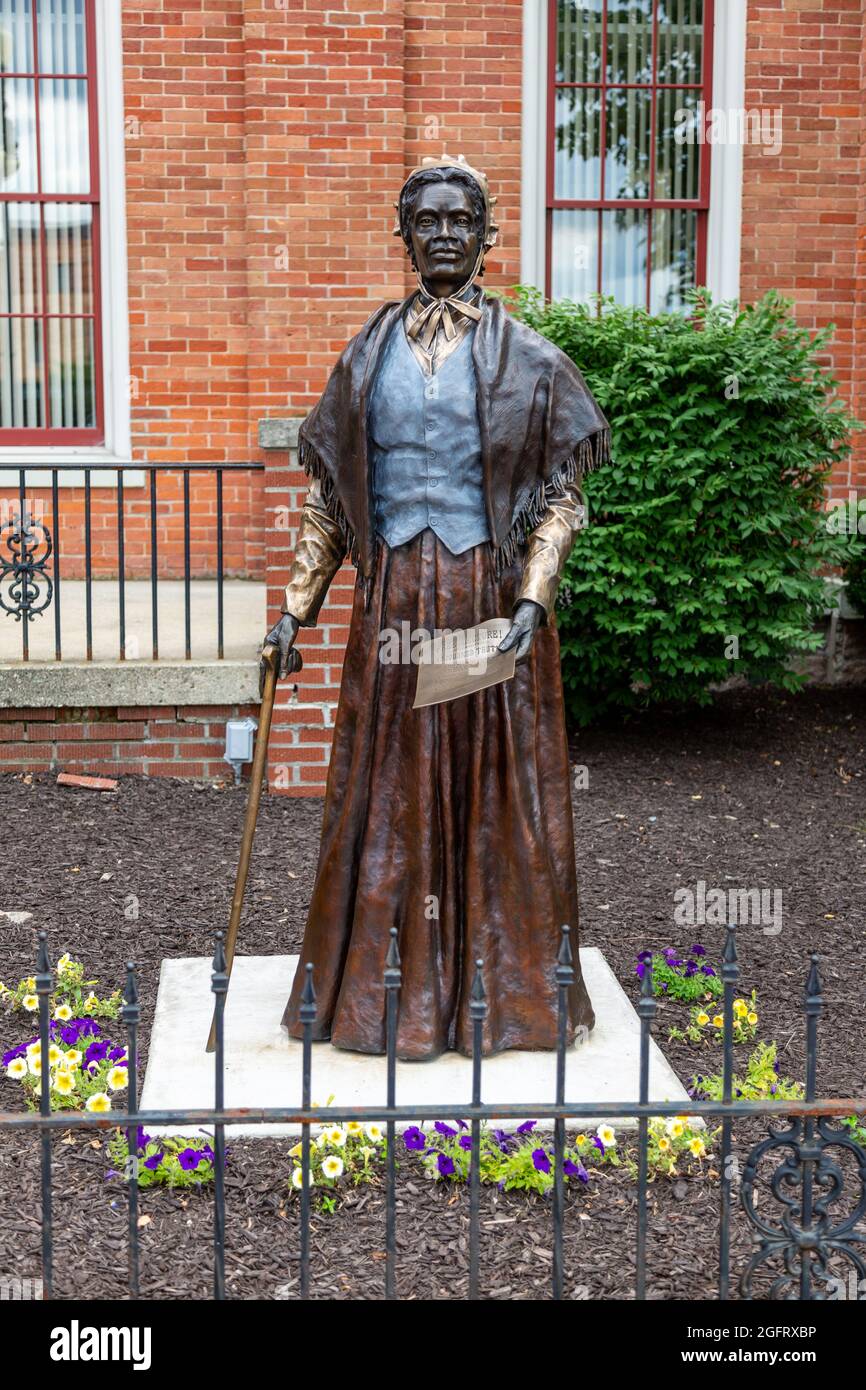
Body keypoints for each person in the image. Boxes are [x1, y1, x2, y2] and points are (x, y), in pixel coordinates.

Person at [264, 154, 609, 1060]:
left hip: (484, 602)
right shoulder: (364, 357)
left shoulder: (529, 362)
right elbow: (332, 503)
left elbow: (562, 497)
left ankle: (492, 996)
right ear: (406, 235)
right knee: (387, 799)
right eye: (430, 221)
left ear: (488, 235)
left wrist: (534, 596)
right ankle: (390, 999)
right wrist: (295, 611)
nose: (446, 234)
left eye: (463, 220)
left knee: (491, 797)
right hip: (391, 607)